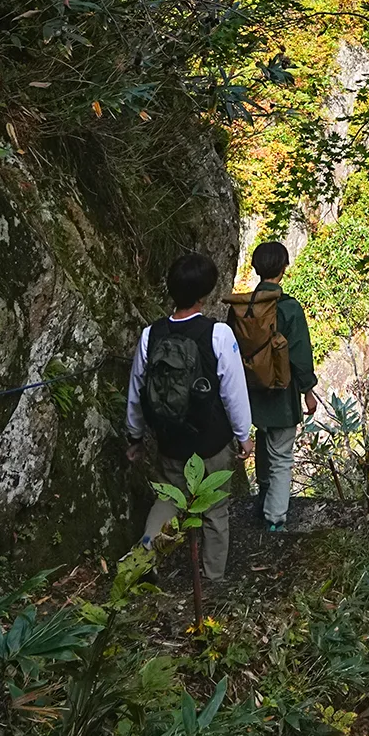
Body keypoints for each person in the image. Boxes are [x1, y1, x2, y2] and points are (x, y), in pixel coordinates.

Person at [125, 247, 252, 588]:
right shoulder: (218, 334)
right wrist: (244, 435)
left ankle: (142, 559)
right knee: (214, 510)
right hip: (211, 442)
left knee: (167, 499)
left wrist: (135, 437)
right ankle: (211, 582)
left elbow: (137, 388)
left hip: (170, 440)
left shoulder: (151, 334)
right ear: (205, 292)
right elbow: (233, 391)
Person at [227, 239, 319, 536]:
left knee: (265, 446)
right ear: (283, 268)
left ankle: (263, 502)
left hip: (250, 391)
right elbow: (300, 354)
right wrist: (308, 390)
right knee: (281, 455)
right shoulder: (289, 308)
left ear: (255, 268)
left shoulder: (240, 308)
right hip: (281, 391)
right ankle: (275, 518)